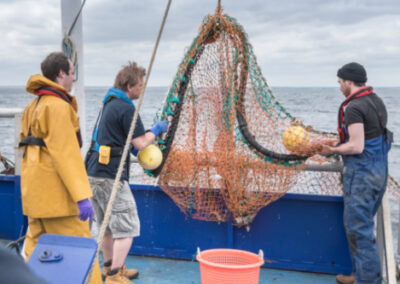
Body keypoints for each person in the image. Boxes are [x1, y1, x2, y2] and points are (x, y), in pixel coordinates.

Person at [19, 52, 102, 284]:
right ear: (61, 74)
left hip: (35, 201)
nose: (74, 78)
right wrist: (82, 197)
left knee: (35, 256)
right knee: (82, 252)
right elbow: (66, 154)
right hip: (59, 203)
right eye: (72, 72)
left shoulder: (32, 107)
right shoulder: (57, 107)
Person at [85, 61, 168, 284]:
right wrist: (157, 130)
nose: (142, 89)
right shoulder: (126, 107)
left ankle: (109, 267)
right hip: (110, 175)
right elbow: (141, 143)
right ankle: (114, 277)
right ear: (130, 85)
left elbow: (118, 138)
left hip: (93, 173)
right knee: (128, 226)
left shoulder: (109, 104)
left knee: (107, 226)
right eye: (141, 85)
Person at [321, 62, 392, 284]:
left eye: (341, 82)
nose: (340, 86)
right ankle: (359, 274)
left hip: (362, 176)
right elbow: (369, 136)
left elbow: (357, 146)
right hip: (379, 173)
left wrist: (331, 150)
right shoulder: (376, 101)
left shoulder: (353, 107)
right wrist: (338, 141)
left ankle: (368, 281)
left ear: (349, 82)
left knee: (359, 230)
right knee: (359, 227)